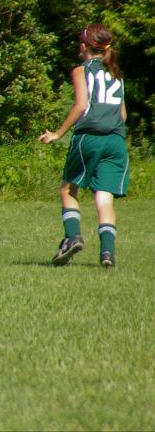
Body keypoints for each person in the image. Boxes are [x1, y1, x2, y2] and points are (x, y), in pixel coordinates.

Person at [39, 24, 129, 268]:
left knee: (68, 190)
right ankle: (107, 253)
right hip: (116, 141)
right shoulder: (116, 73)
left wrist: (58, 133)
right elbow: (122, 115)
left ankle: (73, 237)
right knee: (104, 198)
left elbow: (81, 105)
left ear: (84, 46)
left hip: (89, 137)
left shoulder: (81, 70)